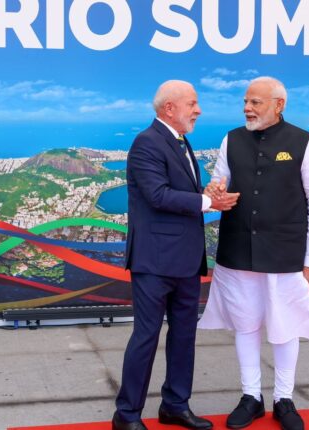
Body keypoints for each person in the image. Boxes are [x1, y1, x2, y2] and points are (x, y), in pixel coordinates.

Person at [198, 77, 309, 430]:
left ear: (278, 105)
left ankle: (283, 399)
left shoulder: (304, 142)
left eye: (255, 102)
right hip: (237, 250)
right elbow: (218, 181)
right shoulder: (232, 139)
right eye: (245, 101)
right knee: (245, 324)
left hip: (286, 254)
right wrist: (215, 189)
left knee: (286, 327)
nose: (247, 108)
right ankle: (251, 397)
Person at [112, 80, 239, 430]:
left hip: (185, 260)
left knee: (184, 336)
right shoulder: (146, 143)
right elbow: (157, 195)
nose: (198, 110)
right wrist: (207, 202)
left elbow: (180, 193)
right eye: (193, 104)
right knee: (146, 337)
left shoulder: (181, 141)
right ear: (170, 108)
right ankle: (126, 415)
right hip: (154, 262)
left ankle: (175, 405)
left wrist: (206, 193)